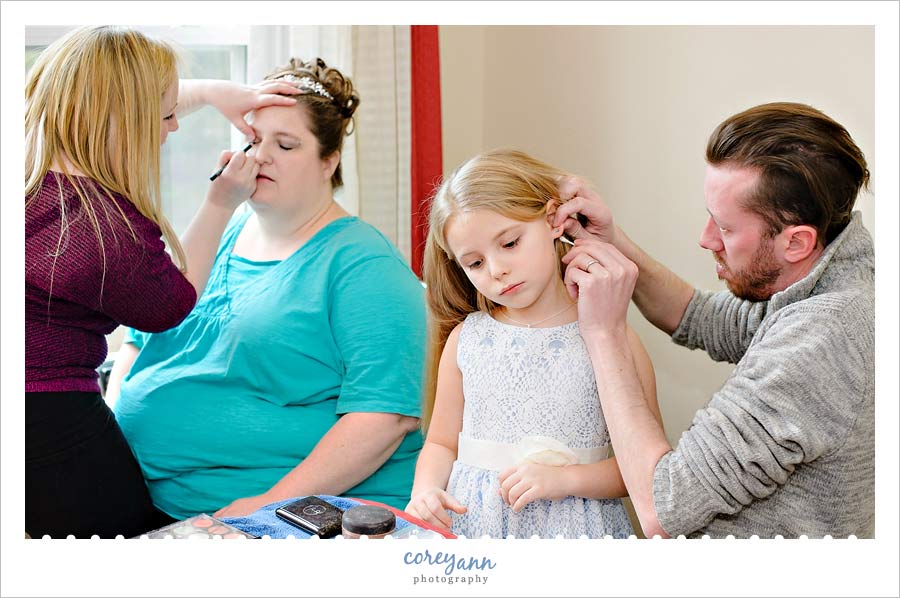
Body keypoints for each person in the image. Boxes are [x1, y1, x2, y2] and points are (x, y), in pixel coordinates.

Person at [108, 57, 426, 522]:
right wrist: (115, 429)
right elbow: (139, 343)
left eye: (287, 144)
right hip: (149, 501)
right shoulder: (217, 231)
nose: (262, 156)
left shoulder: (364, 266)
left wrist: (264, 507)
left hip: (278, 517)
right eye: (253, 140)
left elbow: (386, 418)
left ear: (329, 161)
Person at [25, 26, 302, 539]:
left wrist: (212, 92)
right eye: (166, 115)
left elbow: (108, 98)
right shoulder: (99, 230)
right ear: (124, 121)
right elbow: (171, 304)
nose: (174, 128)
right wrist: (220, 204)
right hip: (46, 425)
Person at [555, 102, 874, 538]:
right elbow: (703, 318)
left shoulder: (820, 341)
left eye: (724, 228)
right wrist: (612, 242)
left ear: (796, 242)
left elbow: (661, 509)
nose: (705, 239)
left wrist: (603, 332)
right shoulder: (839, 274)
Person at [404, 149, 660, 538]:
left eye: (509, 243)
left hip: (573, 532)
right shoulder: (467, 340)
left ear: (553, 220)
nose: (496, 270)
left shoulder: (612, 339)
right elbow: (441, 443)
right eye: (474, 263)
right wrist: (425, 490)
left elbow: (642, 470)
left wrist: (565, 480)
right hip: (476, 527)